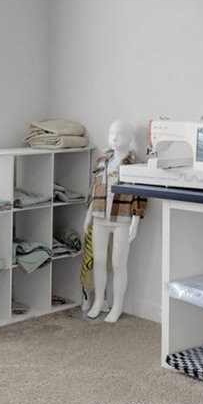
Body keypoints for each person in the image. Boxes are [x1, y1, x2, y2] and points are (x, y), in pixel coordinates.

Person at [84, 119, 146, 322]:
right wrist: (88, 216)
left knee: (119, 264)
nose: (114, 138)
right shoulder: (101, 161)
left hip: (122, 218)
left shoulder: (135, 165)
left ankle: (117, 305)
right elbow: (94, 189)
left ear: (129, 138)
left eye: (119, 134)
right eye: (111, 133)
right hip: (100, 216)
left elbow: (140, 195)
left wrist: (136, 220)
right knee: (99, 261)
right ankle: (99, 301)